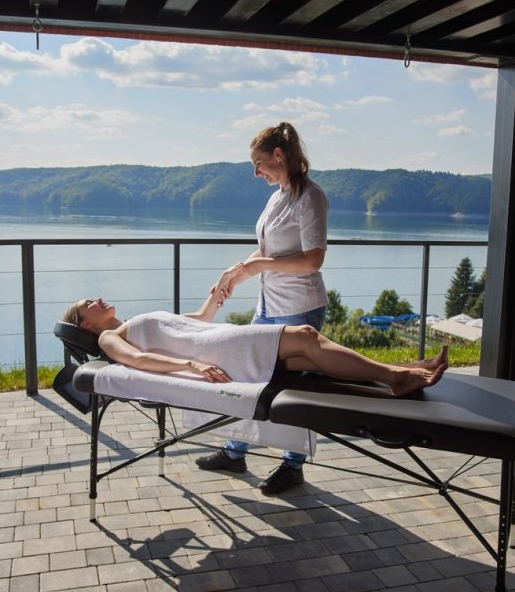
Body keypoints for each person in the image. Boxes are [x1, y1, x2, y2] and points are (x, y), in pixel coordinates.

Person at [202, 122, 330, 494]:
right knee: (246, 377)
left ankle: (293, 465)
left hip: (299, 308)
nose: (257, 173)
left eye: (259, 164)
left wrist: (258, 265)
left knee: (292, 391)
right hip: (269, 306)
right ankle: (235, 451)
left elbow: (313, 260)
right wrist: (235, 273)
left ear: (278, 155)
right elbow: (267, 252)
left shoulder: (311, 197)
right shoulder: (277, 197)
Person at [62, 295, 448, 398]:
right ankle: (396, 375)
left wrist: (216, 295)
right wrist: (192, 367)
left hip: (214, 338)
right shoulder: (110, 338)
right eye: (87, 305)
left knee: (305, 356)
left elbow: (195, 320)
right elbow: (139, 360)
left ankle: (405, 371)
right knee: (306, 336)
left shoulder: (130, 322)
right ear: (86, 326)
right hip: (215, 350)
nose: (97, 300)